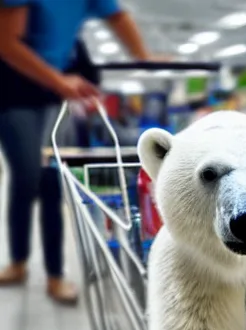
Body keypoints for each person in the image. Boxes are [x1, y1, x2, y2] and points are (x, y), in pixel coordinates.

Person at [0, 1, 149, 304]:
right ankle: (18, 262)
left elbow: (117, 16)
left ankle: (55, 274)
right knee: (27, 177)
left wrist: (144, 58)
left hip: (53, 95)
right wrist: (61, 82)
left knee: (52, 179)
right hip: (14, 93)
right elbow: (6, 42)